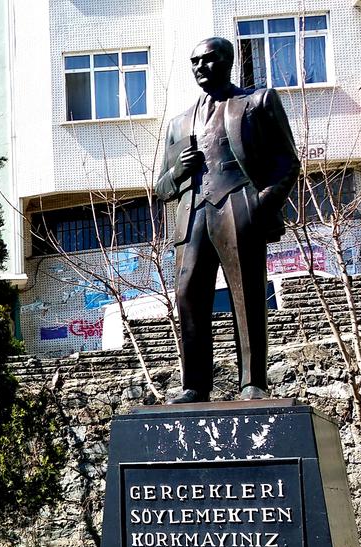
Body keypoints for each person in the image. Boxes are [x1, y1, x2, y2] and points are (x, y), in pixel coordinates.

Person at [154, 37, 301, 404]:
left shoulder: (256, 103)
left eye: (208, 59)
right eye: (194, 62)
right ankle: (194, 385)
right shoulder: (178, 122)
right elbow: (161, 187)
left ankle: (252, 382)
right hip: (193, 216)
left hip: (239, 205)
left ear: (228, 61)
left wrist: (259, 204)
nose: (200, 67)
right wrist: (177, 170)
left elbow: (288, 162)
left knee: (247, 295)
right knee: (188, 295)